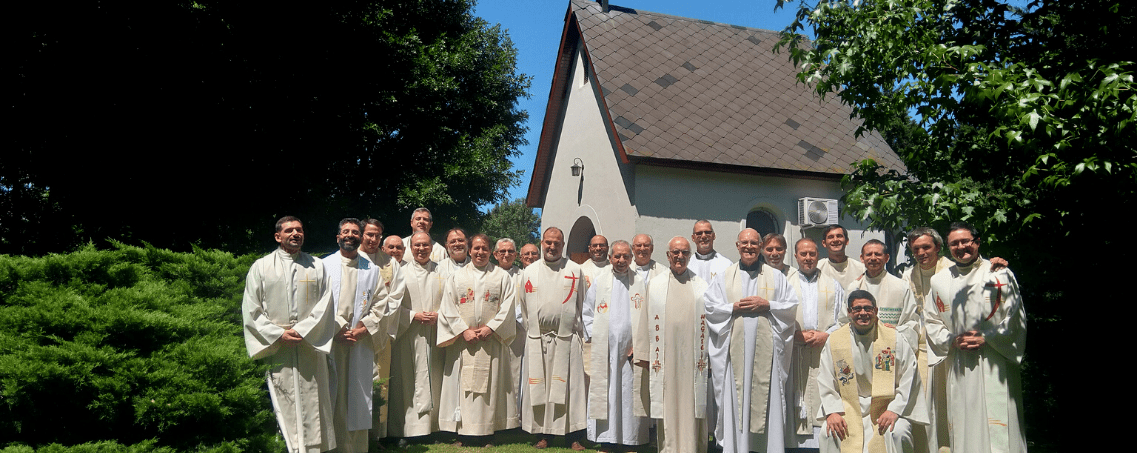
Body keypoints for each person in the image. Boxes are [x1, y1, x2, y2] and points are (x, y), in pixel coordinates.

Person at [926, 222, 1026, 453]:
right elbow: (931, 321)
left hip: (995, 360)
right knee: (964, 423)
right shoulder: (939, 281)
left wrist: (987, 337)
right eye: (954, 243)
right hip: (961, 364)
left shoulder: (999, 274)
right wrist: (952, 339)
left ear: (977, 242)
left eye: (965, 241)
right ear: (947, 248)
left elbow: (1015, 317)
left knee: (1000, 424)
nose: (960, 247)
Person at [242, 216, 338, 453]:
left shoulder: (317, 266)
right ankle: (285, 447)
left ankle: (315, 448)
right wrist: (278, 334)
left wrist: (303, 331)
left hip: (309, 345)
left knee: (314, 399)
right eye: (290, 230)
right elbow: (252, 309)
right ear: (278, 236)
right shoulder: (261, 267)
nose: (296, 234)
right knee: (283, 398)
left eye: (299, 230)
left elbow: (326, 304)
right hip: (279, 348)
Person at [704, 228, 799, 453]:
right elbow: (710, 307)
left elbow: (791, 306)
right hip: (734, 352)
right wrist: (733, 308)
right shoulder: (724, 277)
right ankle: (737, 447)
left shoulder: (776, 277)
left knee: (767, 397)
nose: (749, 247)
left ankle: (768, 446)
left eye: (754, 243)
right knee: (736, 396)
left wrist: (769, 306)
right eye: (744, 243)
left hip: (768, 354)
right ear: (737, 246)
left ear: (760, 247)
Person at [817, 290, 928, 453]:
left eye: (868, 308)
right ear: (849, 312)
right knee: (828, 432)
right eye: (857, 309)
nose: (863, 313)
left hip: (886, 407)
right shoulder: (835, 340)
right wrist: (832, 411)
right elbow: (826, 379)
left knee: (898, 432)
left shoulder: (894, 339)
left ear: (876, 311)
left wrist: (894, 410)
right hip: (848, 408)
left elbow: (909, 378)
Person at [323, 218, 400, 452]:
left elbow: (380, 303)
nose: (350, 235)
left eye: (355, 232)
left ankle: (356, 448)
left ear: (360, 237)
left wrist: (364, 328)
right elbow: (317, 304)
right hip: (332, 342)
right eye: (345, 231)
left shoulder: (371, 269)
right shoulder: (323, 266)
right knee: (331, 396)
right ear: (338, 237)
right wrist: (337, 329)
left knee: (357, 397)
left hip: (360, 342)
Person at [436, 234, 520, 444]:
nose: (480, 252)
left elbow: (508, 307)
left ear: (491, 252)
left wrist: (491, 328)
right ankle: (463, 431)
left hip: (490, 342)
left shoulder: (501, 277)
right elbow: (448, 306)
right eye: (476, 248)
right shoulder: (457, 277)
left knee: (491, 387)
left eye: (484, 249)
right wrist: (463, 330)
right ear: (469, 250)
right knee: (462, 388)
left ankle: (488, 431)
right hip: (464, 343)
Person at [517, 227, 588, 450]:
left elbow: (583, 305)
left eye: (557, 243)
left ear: (563, 245)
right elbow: (522, 307)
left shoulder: (575, 270)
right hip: (538, 339)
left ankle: (573, 435)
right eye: (548, 242)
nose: (552, 246)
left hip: (566, 338)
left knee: (571, 389)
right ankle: (542, 433)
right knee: (541, 387)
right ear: (541, 243)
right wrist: (535, 331)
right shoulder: (529, 272)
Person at [639, 236, 711, 452]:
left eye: (685, 253)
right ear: (668, 255)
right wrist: (643, 353)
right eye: (676, 252)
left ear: (690, 256)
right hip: (666, 357)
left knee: (692, 403)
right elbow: (645, 319)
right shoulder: (656, 284)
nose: (680, 256)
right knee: (668, 402)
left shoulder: (702, 286)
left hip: (692, 358)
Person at [582, 240, 650, 450]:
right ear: (610, 258)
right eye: (617, 256)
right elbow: (588, 313)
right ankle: (605, 439)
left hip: (632, 350)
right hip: (606, 350)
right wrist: (599, 338)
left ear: (631, 258)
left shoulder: (640, 282)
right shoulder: (600, 281)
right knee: (607, 394)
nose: (621, 260)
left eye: (626, 256)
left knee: (631, 393)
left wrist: (640, 345)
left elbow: (649, 315)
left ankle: (631, 439)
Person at [387, 232, 446, 441]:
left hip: (436, 335)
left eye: (425, 245)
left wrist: (439, 316)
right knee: (407, 381)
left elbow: (452, 302)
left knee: (436, 379)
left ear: (432, 247)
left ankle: (434, 428)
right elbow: (391, 305)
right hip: (408, 335)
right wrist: (413, 315)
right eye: (417, 245)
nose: (421, 249)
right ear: (410, 248)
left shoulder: (443, 271)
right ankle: (406, 430)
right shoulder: (400, 272)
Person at [787, 237, 844, 449]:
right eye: (803, 254)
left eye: (812, 254)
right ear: (795, 256)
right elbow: (778, 317)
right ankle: (793, 445)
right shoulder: (786, 283)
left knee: (822, 394)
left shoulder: (833, 285)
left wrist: (826, 335)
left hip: (822, 352)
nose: (808, 258)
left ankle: (821, 445)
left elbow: (843, 319)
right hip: (794, 352)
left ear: (818, 255)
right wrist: (794, 335)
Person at [356, 218, 407, 444]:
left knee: (380, 381)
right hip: (355, 333)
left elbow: (395, 296)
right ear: (360, 235)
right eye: (369, 234)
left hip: (381, 330)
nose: (373, 239)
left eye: (377, 235)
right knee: (356, 380)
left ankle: (377, 435)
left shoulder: (390, 263)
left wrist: (375, 321)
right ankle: (355, 434)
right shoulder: (350, 260)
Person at [686, 220, 731, 442]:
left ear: (713, 236)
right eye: (699, 233)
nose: (703, 236)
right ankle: (695, 435)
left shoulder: (726, 265)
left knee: (718, 383)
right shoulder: (684, 263)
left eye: (707, 233)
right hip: (690, 332)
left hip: (717, 332)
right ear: (693, 238)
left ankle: (720, 435)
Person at [838, 240, 918, 334]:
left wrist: (896, 331)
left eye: (877, 254)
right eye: (868, 254)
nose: (873, 258)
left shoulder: (901, 286)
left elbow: (912, 322)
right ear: (862, 258)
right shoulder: (853, 287)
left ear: (886, 258)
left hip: (891, 343)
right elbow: (843, 321)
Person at [493, 237, 526, 423]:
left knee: (516, 374)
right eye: (502, 251)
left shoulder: (524, 275)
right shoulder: (490, 274)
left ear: (516, 255)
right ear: (495, 254)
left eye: (510, 251)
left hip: (517, 332)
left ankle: (514, 417)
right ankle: (497, 416)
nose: (506, 255)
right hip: (494, 332)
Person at [817, 225, 866, 292]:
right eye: (830, 237)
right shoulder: (818, 268)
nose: (835, 240)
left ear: (847, 241)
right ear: (824, 243)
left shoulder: (861, 269)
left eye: (839, 236)